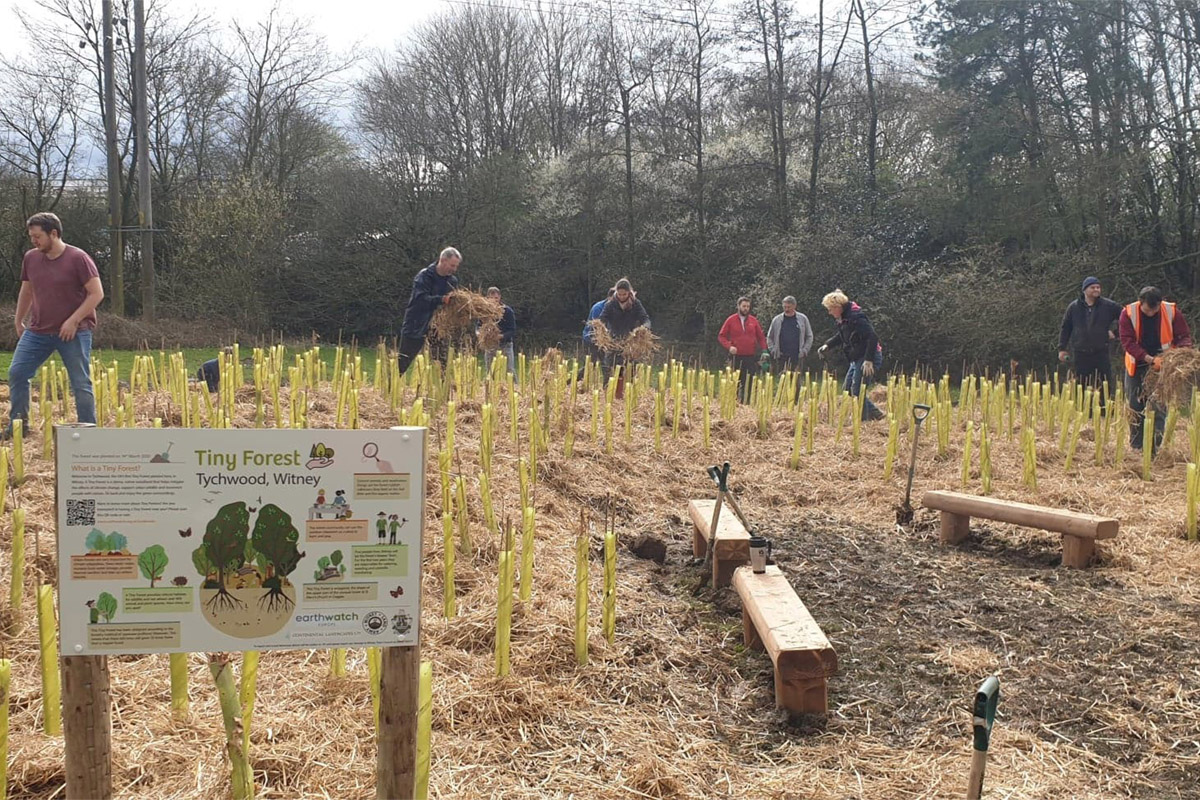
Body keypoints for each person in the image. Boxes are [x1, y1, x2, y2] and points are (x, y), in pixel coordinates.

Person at [6, 212, 103, 437]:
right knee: (17, 372)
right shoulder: (31, 257)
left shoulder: (78, 258)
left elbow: (96, 294)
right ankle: (18, 428)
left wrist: (73, 320)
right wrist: (19, 319)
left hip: (75, 332)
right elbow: (27, 290)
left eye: (38, 236)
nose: (34, 241)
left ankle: (89, 431)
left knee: (80, 382)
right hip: (38, 330)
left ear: (54, 233)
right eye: (31, 236)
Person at [1118, 286, 1193, 452]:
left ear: (1160, 303)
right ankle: (1137, 446)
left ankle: (1156, 447)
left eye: (1155, 309)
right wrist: (1150, 360)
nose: (1151, 312)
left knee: (1159, 407)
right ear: (1140, 302)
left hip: (1164, 366)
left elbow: (1183, 336)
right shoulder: (1128, 313)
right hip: (1137, 365)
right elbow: (1128, 342)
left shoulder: (1172, 311)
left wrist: (1178, 355)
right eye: (1147, 309)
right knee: (1136, 406)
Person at [817, 290, 885, 421]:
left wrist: (869, 360)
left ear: (838, 307)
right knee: (848, 388)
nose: (829, 312)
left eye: (830, 309)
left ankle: (863, 421)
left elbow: (872, 336)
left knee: (858, 390)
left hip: (868, 356)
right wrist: (828, 345)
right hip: (857, 357)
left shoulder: (856, 317)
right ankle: (876, 414)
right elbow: (842, 336)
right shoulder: (844, 318)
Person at [398, 247, 461, 376]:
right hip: (416, 322)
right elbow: (420, 299)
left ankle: (444, 392)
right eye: (452, 265)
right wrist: (442, 299)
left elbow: (451, 304)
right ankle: (390, 389)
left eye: (456, 267)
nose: (454, 269)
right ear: (443, 260)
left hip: (438, 326)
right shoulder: (424, 276)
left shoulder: (452, 281)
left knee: (442, 361)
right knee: (404, 360)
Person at [1058, 277, 1121, 399]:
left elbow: (1126, 318)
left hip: (1101, 351)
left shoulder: (1109, 305)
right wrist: (1062, 348)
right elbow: (1065, 328)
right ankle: (1084, 412)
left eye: (1098, 287)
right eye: (1093, 287)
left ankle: (1104, 411)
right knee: (1081, 384)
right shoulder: (1074, 307)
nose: (1096, 290)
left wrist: (1116, 333)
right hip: (1081, 352)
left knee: (1105, 383)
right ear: (1085, 290)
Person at [598, 278, 650, 396]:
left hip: (630, 340)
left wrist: (644, 328)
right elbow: (602, 319)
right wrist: (602, 328)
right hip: (613, 340)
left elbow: (645, 318)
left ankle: (628, 393)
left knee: (630, 368)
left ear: (629, 292)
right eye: (619, 294)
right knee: (609, 366)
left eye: (624, 294)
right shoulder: (610, 304)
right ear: (616, 292)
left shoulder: (636, 304)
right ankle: (608, 393)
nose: (621, 297)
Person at [718, 296, 768, 403]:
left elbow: (761, 337)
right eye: (744, 306)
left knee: (749, 381)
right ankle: (733, 402)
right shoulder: (731, 320)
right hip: (736, 356)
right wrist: (729, 346)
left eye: (748, 306)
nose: (746, 308)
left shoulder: (753, 321)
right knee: (735, 381)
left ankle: (747, 403)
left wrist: (764, 350)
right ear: (738, 306)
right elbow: (721, 336)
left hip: (750, 356)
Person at [767, 295, 814, 376]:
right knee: (782, 381)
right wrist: (773, 349)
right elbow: (769, 337)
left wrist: (805, 350)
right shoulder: (777, 320)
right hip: (781, 356)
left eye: (789, 307)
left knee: (796, 382)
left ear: (794, 306)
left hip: (797, 356)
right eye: (784, 307)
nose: (786, 309)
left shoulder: (803, 319)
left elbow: (809, 336)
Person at [580, 287, 615, 379]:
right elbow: (598, 326)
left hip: (605, 341)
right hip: (591, 339)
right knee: (589, 365)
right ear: (609, 297)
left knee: (607, 365)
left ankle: (607, 388)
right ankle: (573, 382)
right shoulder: (598, 307)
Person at [480, 287, 516, 374]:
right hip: (490, 345)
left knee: (509, 370)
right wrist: (480, 334)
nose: (494, 300)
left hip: (505, 345)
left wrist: (500, 336)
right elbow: (478, 326)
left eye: (496, 298)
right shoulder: (484, 311)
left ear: (499, 297)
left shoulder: (507, 311)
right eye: (491, 298)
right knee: (490, 371)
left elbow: (512, 330)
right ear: (487, 298)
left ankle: (514, 387)